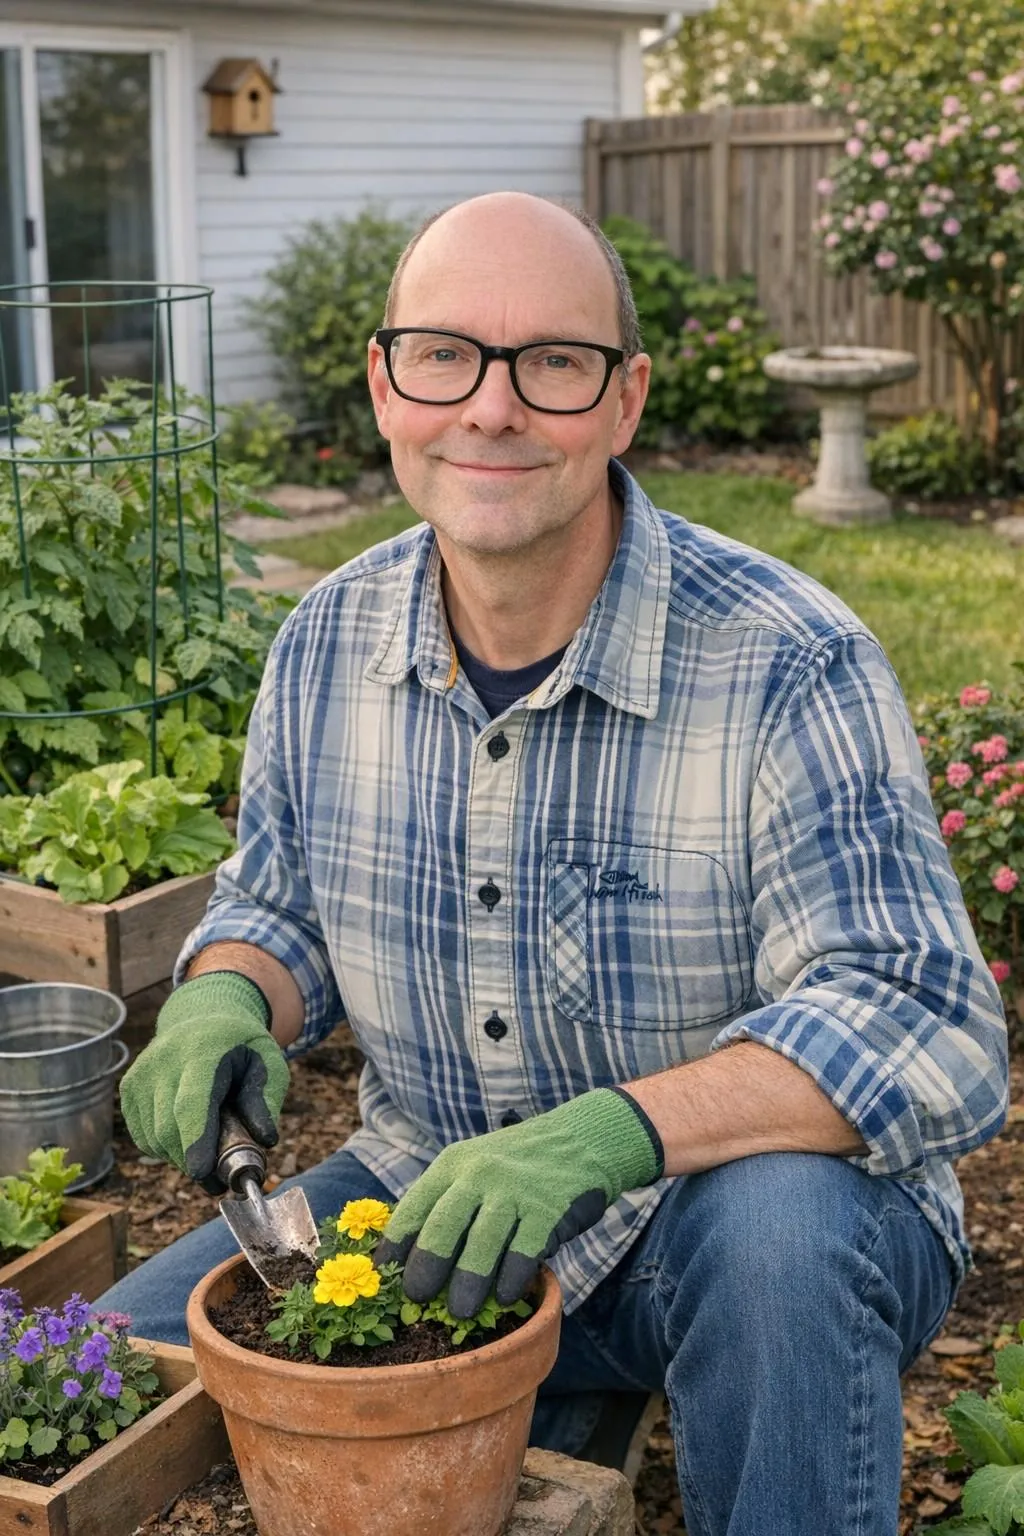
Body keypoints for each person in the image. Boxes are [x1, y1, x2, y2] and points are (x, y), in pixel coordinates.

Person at [100, 191, 1008, 1536]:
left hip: (719, 1226)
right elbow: (278, 903)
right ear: (386, 386)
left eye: (555, 363)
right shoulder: (326, 641)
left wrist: (606, 1135)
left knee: (782, 1245)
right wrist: (227, 993)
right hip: (426, 1202)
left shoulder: (787, 659)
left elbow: (926, 1021)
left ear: (625, 399)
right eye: (446, 355)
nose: (492, 408)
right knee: (99, 1368)